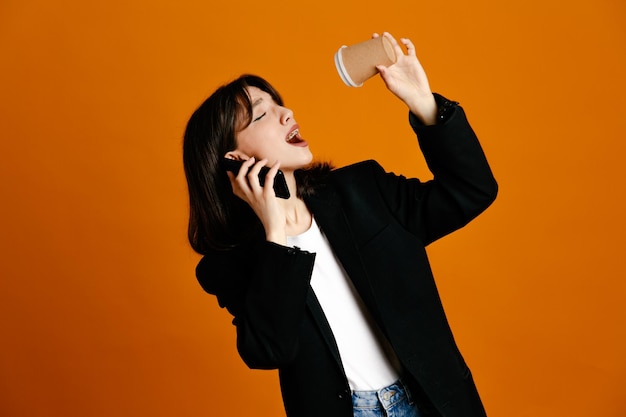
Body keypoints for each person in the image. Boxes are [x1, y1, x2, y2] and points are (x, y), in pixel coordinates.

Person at [183, 32, 497, 417]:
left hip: (433, 401)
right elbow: (268, 350)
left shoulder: (363, 191)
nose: (287, 114)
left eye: (280, 104)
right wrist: (276, 234)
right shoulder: (231, 265)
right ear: (234, 159)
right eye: (263, 114)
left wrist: (422, 102)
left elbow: (472, 190)